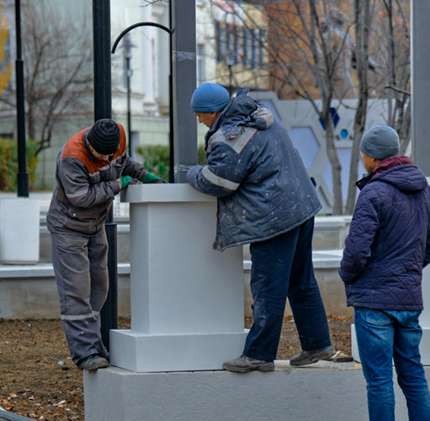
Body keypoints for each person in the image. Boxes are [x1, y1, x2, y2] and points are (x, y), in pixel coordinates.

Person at [186, 83, 339, 373]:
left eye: (201, 114)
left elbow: (219, 181)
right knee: (300, 280)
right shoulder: (259, 119)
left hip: (273, 218)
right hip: (301, 207)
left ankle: (259, 354)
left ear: (214, 112)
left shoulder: (232, 135)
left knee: (267, 285)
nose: (199, 120)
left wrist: (192, 173)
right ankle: (317, 344)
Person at [341, 125, 430, 421]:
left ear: (372, 156)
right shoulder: (424, 190)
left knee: (380, 381)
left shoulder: (374, 193)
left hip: (375, 302)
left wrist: (349, 276)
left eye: (363, 153)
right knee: (414, 378)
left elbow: (356, 252)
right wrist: (407, 270)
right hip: (408, 300)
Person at [47, 118, 161, 371]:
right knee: (76, 291)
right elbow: (82, 197)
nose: (108, 158)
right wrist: (118, 185)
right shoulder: (72, 157)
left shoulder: (116, 136)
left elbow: (123, 163)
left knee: (99, 288)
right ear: (90, 144)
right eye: (102, 155)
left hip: (95, 227)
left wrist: (144, 175)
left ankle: (95, 346)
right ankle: (85, 353)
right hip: (68, 228)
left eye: (112, 154)